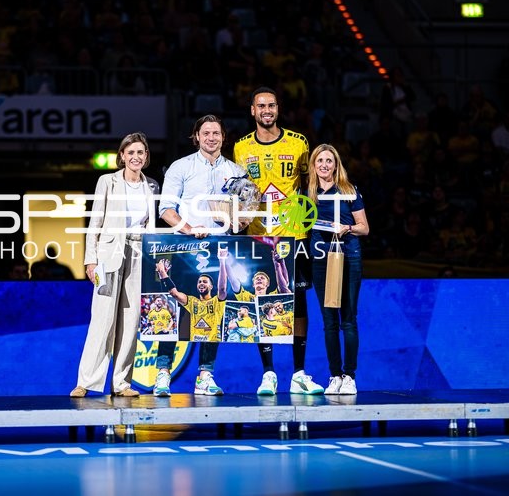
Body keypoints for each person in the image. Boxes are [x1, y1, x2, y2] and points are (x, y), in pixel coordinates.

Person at [233, 87, 323, 396]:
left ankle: (299, 372)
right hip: (258, 235)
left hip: (293, 235)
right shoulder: (241, 147)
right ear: (253, 111)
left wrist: (309, 221)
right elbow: (241, 191)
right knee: (262, 301)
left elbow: (309, 182)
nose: (267, 110)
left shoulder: (298, 143)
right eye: (261, 106)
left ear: (278, 109)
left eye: (271, 105)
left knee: (298, 304)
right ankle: (268, 373)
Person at [153, 114, 246, 397]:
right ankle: (162, 374)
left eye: (216, 133)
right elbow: (166, 210)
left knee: (213, 313)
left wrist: (238, 222)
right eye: (205, 133)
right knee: (175, 310)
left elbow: (244, 214)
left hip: (219, 249)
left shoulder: (236, 171)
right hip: (184, 248)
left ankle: (205, 376)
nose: (211, 138)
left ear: (223, 137)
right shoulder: (181, 167)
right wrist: (191, 229)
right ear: (196, 136)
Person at [70, 132, 158, 398]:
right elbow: (94, 222)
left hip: (138, 252)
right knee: (102, 318)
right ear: (122, 156)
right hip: (109, 254)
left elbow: (149, 226)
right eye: (130, 152)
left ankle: (121, 382)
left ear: (146, 156)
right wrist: (90, 259)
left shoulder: (151, 185)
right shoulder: (107, 182)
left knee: (130, 321)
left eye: (140, 153)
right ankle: (86, 381)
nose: (135, 157)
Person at [307, 143, 369, 395]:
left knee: (348, 319)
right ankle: (334, 376)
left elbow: (364, 227)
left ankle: (350, 376)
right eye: (319, 161)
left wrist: (348, 228)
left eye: (329, 161)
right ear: (313, 165)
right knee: (328, 321)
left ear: (336, 164)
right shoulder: (308, 192)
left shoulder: (348, 190)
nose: (324, 165)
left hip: (348, 256)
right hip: (320, 259)